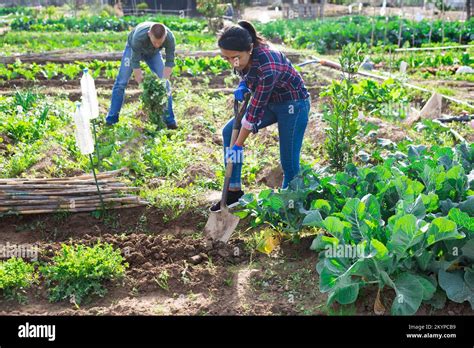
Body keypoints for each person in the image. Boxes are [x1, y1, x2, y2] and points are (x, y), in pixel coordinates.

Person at [210, 20, 310, 212]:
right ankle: (233, 192)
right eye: (227, 59)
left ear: (250, 49)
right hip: (272, 100)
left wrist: (238, 145)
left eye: (235, 58)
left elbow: (253, 114)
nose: (233, 63)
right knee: (229, 130)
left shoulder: (268, 65)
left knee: (288, 161)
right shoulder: (241, 56)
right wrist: (244, 84)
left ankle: (290, 207)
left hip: (293, 104)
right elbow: (248, 78)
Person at [105, 22, 177, 129]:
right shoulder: (139, 36)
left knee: (165, 85)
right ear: (149, 34)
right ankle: (112, 119)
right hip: (133, 49)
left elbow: (169, 63)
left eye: (159, 43)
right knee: (121, 82)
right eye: (154, 42)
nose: (157, 45)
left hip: (153, 54)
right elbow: (135, 64)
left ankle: (169, 121)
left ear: (165, 36)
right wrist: (144, 87)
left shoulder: (170, 38)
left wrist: (162, 82)